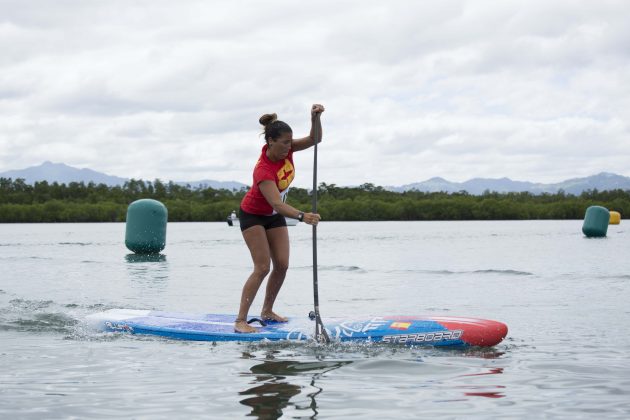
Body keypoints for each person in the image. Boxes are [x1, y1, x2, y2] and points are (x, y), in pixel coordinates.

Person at [235, 104, 324, 333]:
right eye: (285, 142)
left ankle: (267, 311)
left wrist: (315, 118)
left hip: (273, 216)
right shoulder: (263, 170)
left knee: (282, 265)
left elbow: (315, 139)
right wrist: (303, 216)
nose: (289, 146)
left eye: (290, 142)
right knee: (262, 267)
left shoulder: (288, 149)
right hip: (253, 215)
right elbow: (276, 203)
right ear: (271, 141)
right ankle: (240, 321)